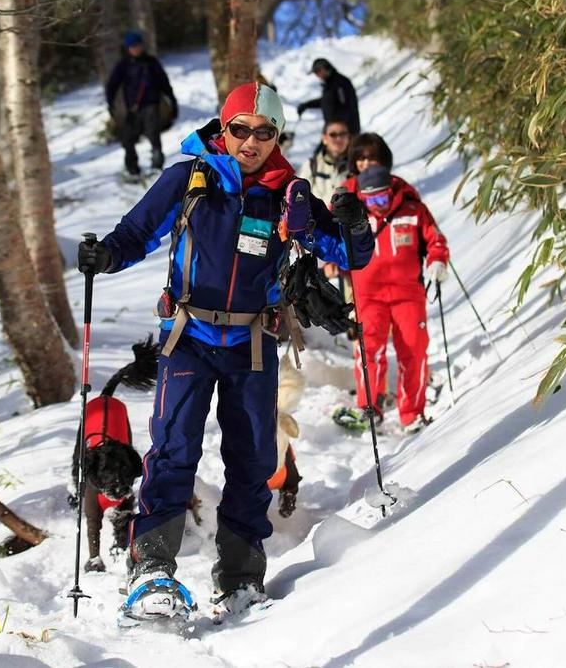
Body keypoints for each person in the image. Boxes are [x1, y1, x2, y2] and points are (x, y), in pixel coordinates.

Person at [78, 82, 373, 617]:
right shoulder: (191, 179)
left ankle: (240, 579)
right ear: (224, 127)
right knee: (173, 452)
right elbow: (137, 232)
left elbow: (349, 254)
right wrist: (104, 256)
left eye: (265, 132)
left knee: (253, 460)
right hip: (188, 338)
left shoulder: (290, 193)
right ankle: (151, 573)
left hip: (252, 343)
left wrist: (355, 225)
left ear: (276, 137)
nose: (252, 141)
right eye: (241, 129)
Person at [336, 133, 449, 432]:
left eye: (383, 197)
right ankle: (369, 407)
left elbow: (435, 239)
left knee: (413, 349)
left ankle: (412, 413)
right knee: (368, 348)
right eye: (372, 199)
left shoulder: (411, 208)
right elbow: (333, 239)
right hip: (368, 292)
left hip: (407, 292)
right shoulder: (351, 206)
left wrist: (437, 260)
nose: (378, 204)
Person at [105, 31, 178, 177]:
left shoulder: (151, 62)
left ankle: (157, 166)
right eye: (131, 46)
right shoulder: (124, 65)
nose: (134, 49)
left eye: (136, 45)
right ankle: (132, 168)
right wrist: (110, 102)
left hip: (151, 104)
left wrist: (172, 99)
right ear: (127, 48)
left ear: (141, 46)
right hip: (132, 108)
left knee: (153, 135)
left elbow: (164, 82)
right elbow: (112, 85)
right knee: (128, 138)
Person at [296, 58, 360, 135]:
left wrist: (336, 127)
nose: (317, 75)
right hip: (334, 131)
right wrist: (306, 105)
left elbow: (346, 107)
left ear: (325, 69)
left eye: (317, 72)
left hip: (345, 132)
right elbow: (327, 102)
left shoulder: (340, 82)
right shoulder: (329, 84)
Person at [298, 119, 351, 203]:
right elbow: (298, 197)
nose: (339, 138)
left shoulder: (356, 165)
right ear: (324, 138)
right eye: (333, 135)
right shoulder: (311, 165)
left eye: (343, 134)